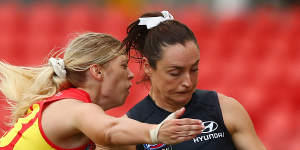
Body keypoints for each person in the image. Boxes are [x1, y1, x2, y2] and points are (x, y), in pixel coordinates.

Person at [0, 32, 205, 150]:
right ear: (97, 71)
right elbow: (109, 130)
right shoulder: (74, 108)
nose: (131, 75)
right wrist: (154, 133)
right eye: (123, 66)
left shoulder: (72, 107)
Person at [122, 11, 267, 150]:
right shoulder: (131, 128)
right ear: (148, 67)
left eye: (194, 69)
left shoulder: (225, 109)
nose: (188, 82)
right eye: (175, 73)